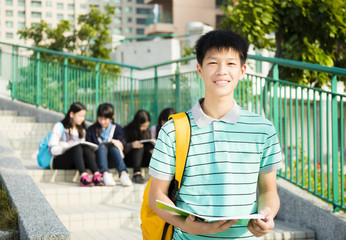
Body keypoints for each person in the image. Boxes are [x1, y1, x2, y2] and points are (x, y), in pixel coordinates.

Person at [148, 30, 282, 239]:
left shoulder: (263, 129)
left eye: (230, 64)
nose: (222, 71)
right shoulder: (173, 130)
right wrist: (189, 226)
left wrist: (267, 214)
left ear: (242, 70)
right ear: (199, 69)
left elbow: (268, 191)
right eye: (212, 63)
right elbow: (156, 195)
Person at [49, 102, 104, 187]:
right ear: (71, 114)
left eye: (84, 116)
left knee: (85, 148)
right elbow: (51, 150)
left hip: (76, 162)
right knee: (77, 147)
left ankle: (96, 174)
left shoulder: (82, 129)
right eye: (80, 116)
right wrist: (67, 146)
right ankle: (83, 176)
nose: (82, 119)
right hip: (60, 160)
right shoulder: (59, 126)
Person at [86, 103, 132, 187]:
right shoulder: (91, 129)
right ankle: (105, 173)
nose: (102, 121)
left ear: (112, 117)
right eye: (100, 118)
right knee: (102, 146)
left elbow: (123, 145)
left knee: (113, 147)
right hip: (98, 159)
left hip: (113, 159)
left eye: (105, 118)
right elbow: (89, 145)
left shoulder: (117, 128)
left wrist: (118, 143)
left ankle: (123, 173)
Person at [123, 109, 153, 184]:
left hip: (143, 160)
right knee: (139, 148)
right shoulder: (127, 130)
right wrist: (132, 145)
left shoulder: (147, 132)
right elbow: (122, 148)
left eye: (146, 126)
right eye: (142, 126)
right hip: (130, 160)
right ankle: (136, 174)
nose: (144, 128)